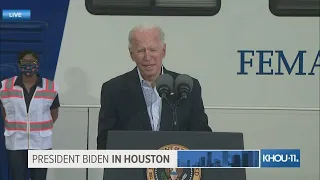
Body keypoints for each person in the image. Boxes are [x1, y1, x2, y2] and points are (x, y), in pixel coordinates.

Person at [97, 24, 212, 150]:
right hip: (134, 167)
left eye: (153, 50)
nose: (147, 57)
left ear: (163, 51)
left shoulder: (186, 87)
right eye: (141, 50)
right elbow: (105, 141)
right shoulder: (114, 90)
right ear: (132, 54)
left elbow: (202, 136)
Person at [0, 50, 60, 180]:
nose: (29, 65)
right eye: (25, 62)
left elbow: (54, 113)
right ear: (19, 64)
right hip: (15, 141)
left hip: (41, 142)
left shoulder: (50, 86)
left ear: (38, 64)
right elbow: (4, 110)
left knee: (39, 177)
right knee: (18, 177)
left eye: (32, 62)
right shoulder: (5, 86)